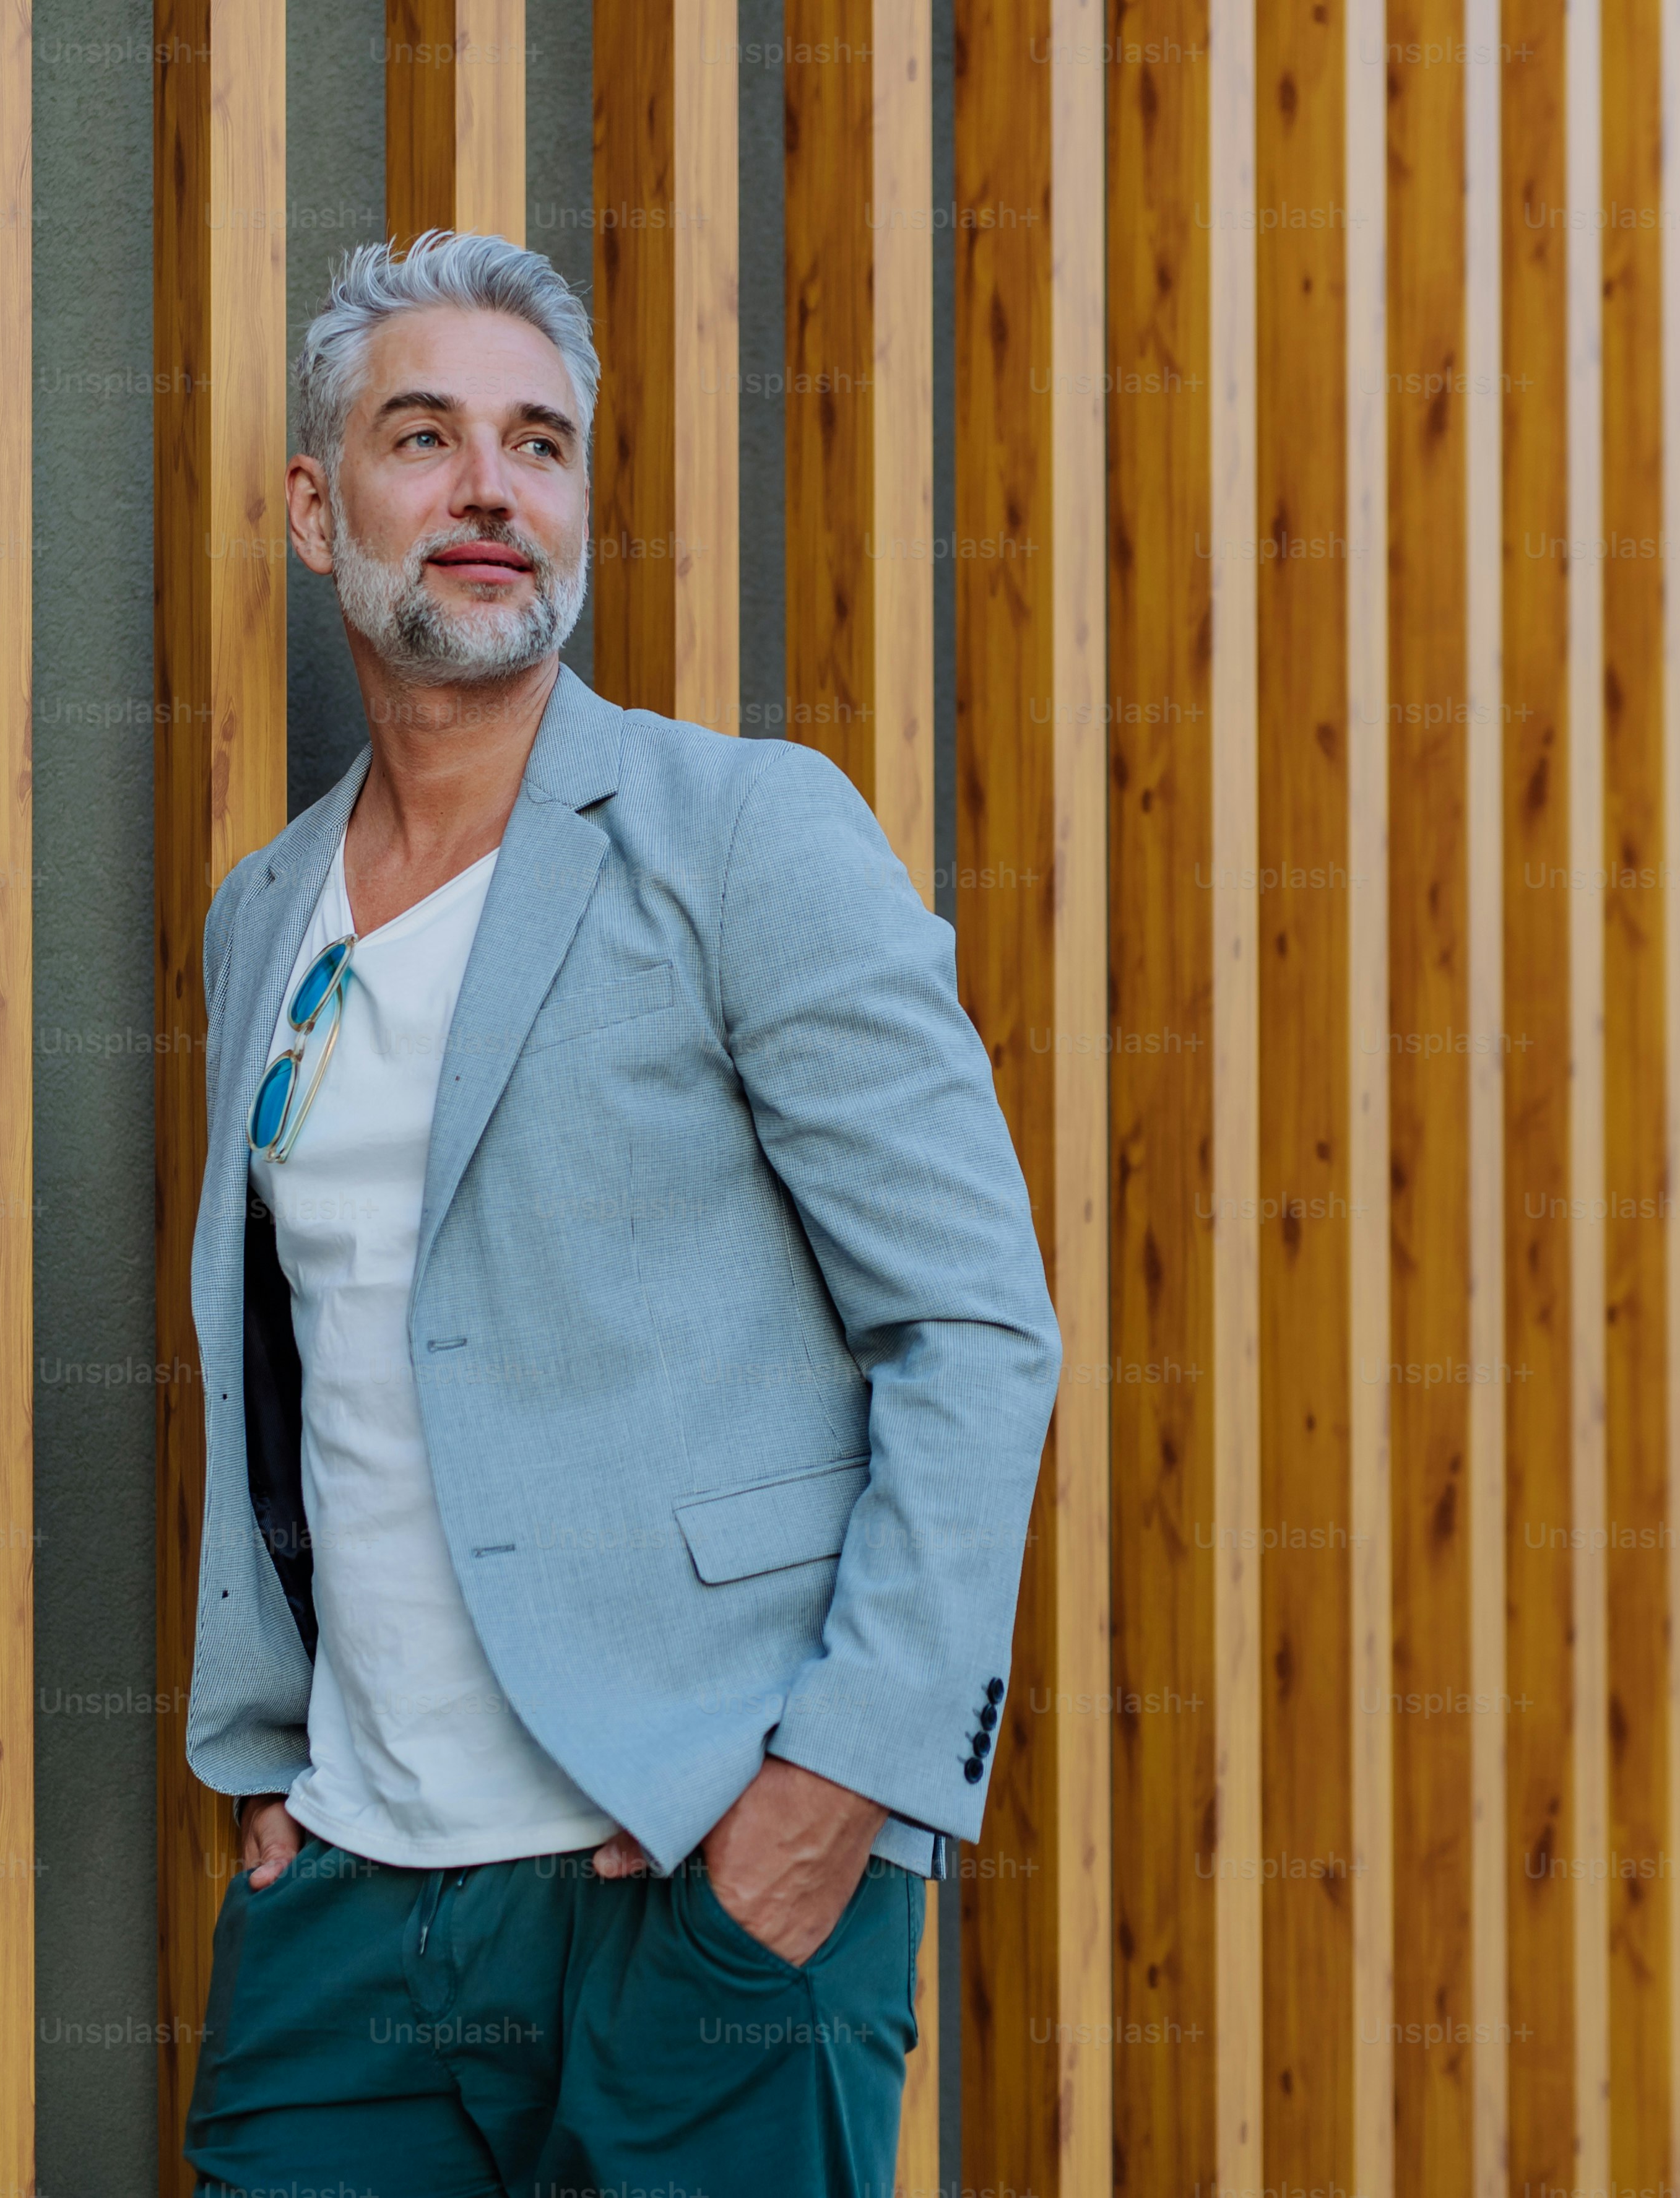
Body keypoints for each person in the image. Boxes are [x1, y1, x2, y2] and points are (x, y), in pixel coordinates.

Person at [178, 228, 1061, 2197]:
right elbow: (286, 1357)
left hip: (697, 1886)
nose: (494, 488)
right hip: (350, 1907)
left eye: (541, 445)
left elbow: (976, 1328)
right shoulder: (262, 918)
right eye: (426, 437)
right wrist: (270, 1773)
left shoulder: (747, 833)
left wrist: (836, 1793)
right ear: (321, 514)